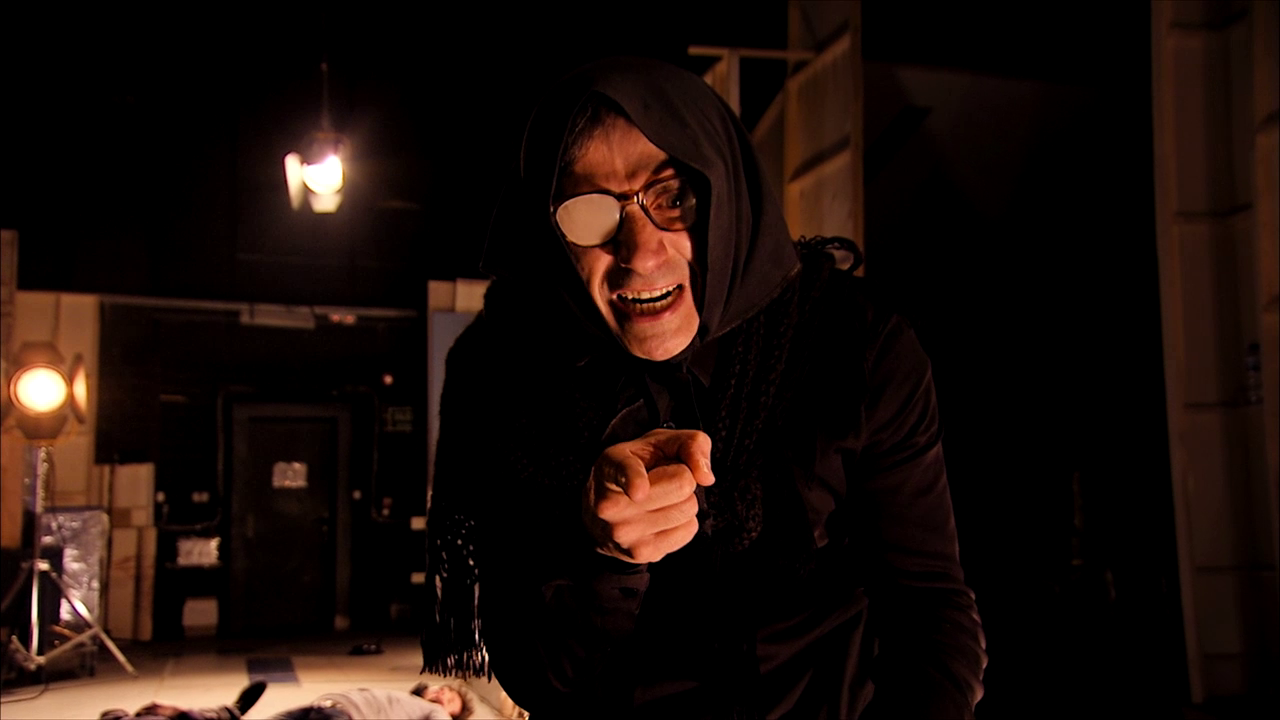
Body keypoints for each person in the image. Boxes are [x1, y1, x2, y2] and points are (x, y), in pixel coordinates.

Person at [421, 56, 986, 718]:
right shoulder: (502, 372)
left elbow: (929, 609)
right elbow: (532, 671)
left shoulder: (854, 346)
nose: (640, 252)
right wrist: (604, 558)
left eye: (672, 197)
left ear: (724, 189)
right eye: (589, 212)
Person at [99, 680, 476, 720]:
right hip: (323, 708)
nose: (441, 696)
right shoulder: (400, 698)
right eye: (443, 690)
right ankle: (224, 715)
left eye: (448, 702)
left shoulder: (430, 714)